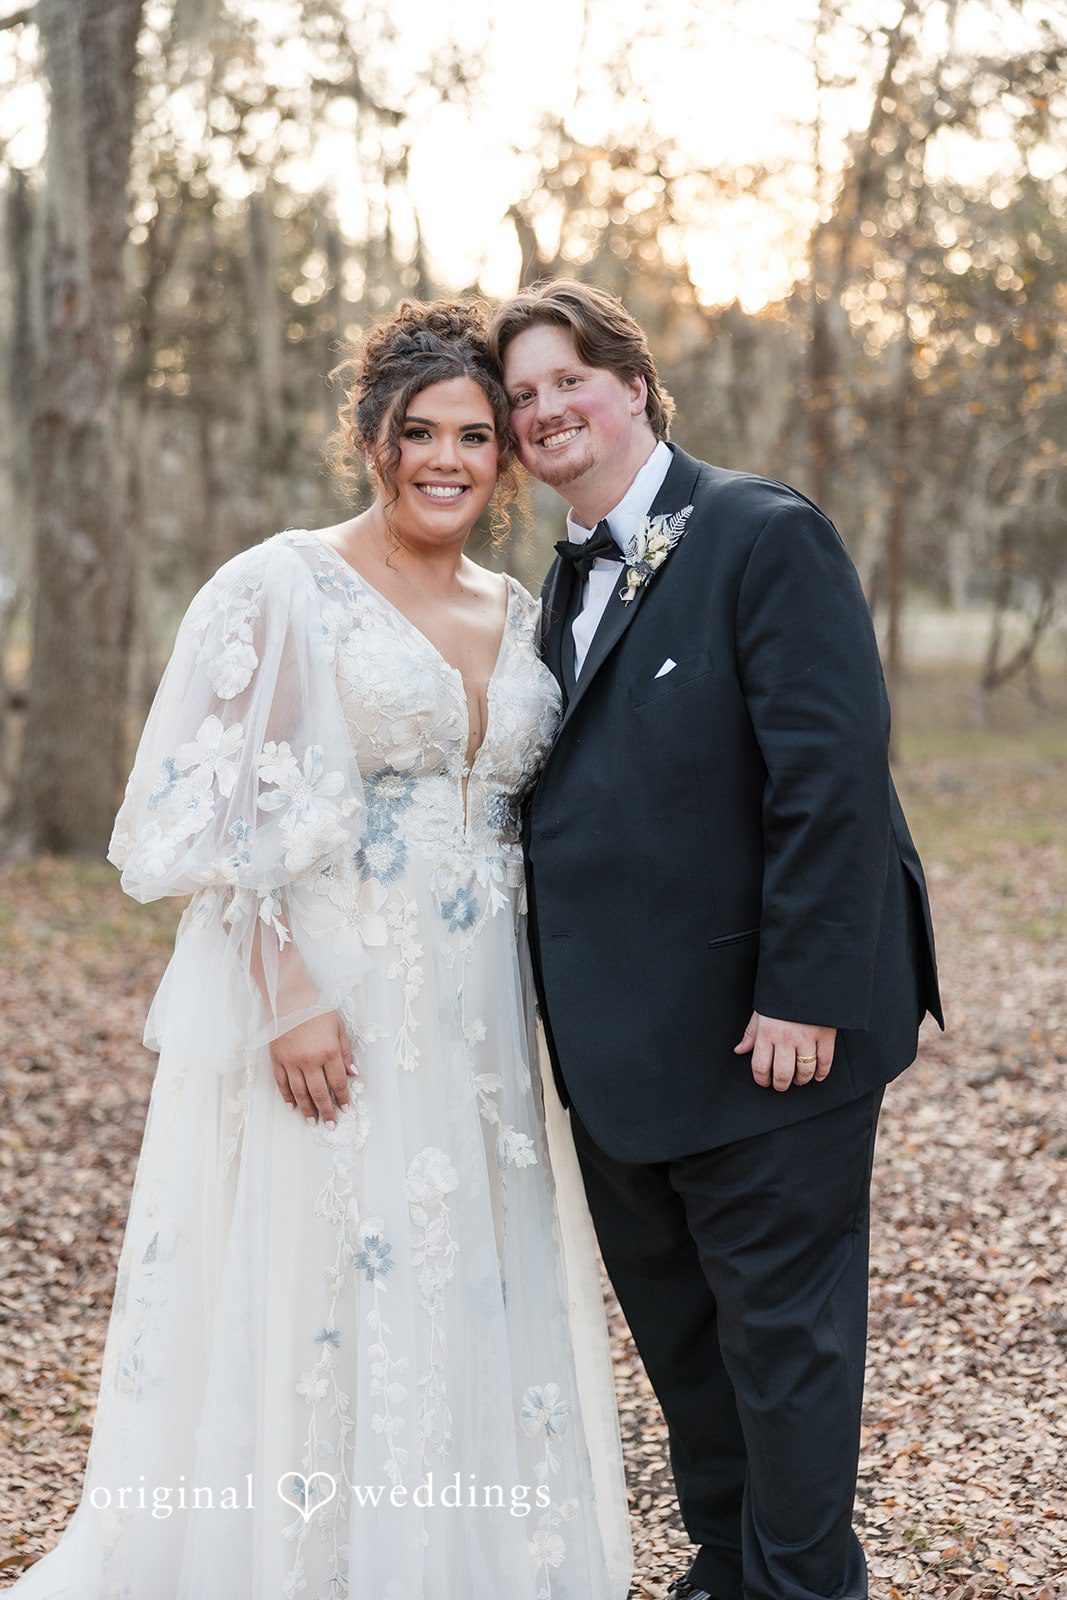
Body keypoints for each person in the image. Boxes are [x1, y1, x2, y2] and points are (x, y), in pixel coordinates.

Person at [9, 300, 632, 1600]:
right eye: (421, 432)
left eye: (474, 435)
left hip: (486, 1025)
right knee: (331, 1276)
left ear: (504, 458)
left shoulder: (524, 610)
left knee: (464, 1281)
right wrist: (288, 989)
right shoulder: (283, 585)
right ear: (372, 438)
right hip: (336, 1003)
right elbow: (215, 812)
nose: (448, 459)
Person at [488, 280, 944, 1600]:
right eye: (521, 397)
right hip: (623, 1058)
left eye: (566, 378)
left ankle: (804, 1586)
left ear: (633, 386)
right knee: (685, 1346)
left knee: (785, 1351)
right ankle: (726, 1570)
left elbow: (834, 774)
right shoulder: (553, 589)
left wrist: (802, 995)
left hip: (772, 1045)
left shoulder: (758, 532)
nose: (543, 410)